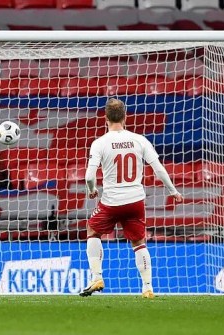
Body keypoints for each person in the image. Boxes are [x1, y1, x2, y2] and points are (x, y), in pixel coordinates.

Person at [80, 98, 184, 299]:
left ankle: (97, 277)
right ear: (125, 117)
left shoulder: (99, 143)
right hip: (135, 201)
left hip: (111, 201)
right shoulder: (139, 140)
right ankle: (147, 288)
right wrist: (173, 191)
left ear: (106, 118)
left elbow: (88, 176)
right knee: (139, 242)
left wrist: (91, 190)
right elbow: (159, 169)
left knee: (92, 229)